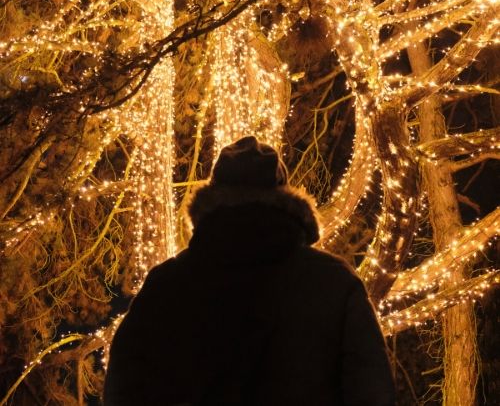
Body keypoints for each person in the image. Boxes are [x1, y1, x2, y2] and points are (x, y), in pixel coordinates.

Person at [104, 136, 395, 405]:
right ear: (286, 199)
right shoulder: (333, 283)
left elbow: (126, 387)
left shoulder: (168, 285)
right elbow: (371, 388)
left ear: (211, 200)